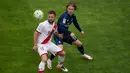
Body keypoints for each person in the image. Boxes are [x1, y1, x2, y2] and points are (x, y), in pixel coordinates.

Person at [47, 3, 93, 70]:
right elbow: (60, 28)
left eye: (72, 9)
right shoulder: (64, 17)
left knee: (79, 44)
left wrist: (81, 30)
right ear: (67, 9)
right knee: (60, 49)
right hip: (59, 34)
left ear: (74, 10)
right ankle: (51, 61)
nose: (70, 10)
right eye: (69, 9)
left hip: (66, 34)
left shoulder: (73, 16)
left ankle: (83, 54)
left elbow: (75, 23)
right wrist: (70, 33)